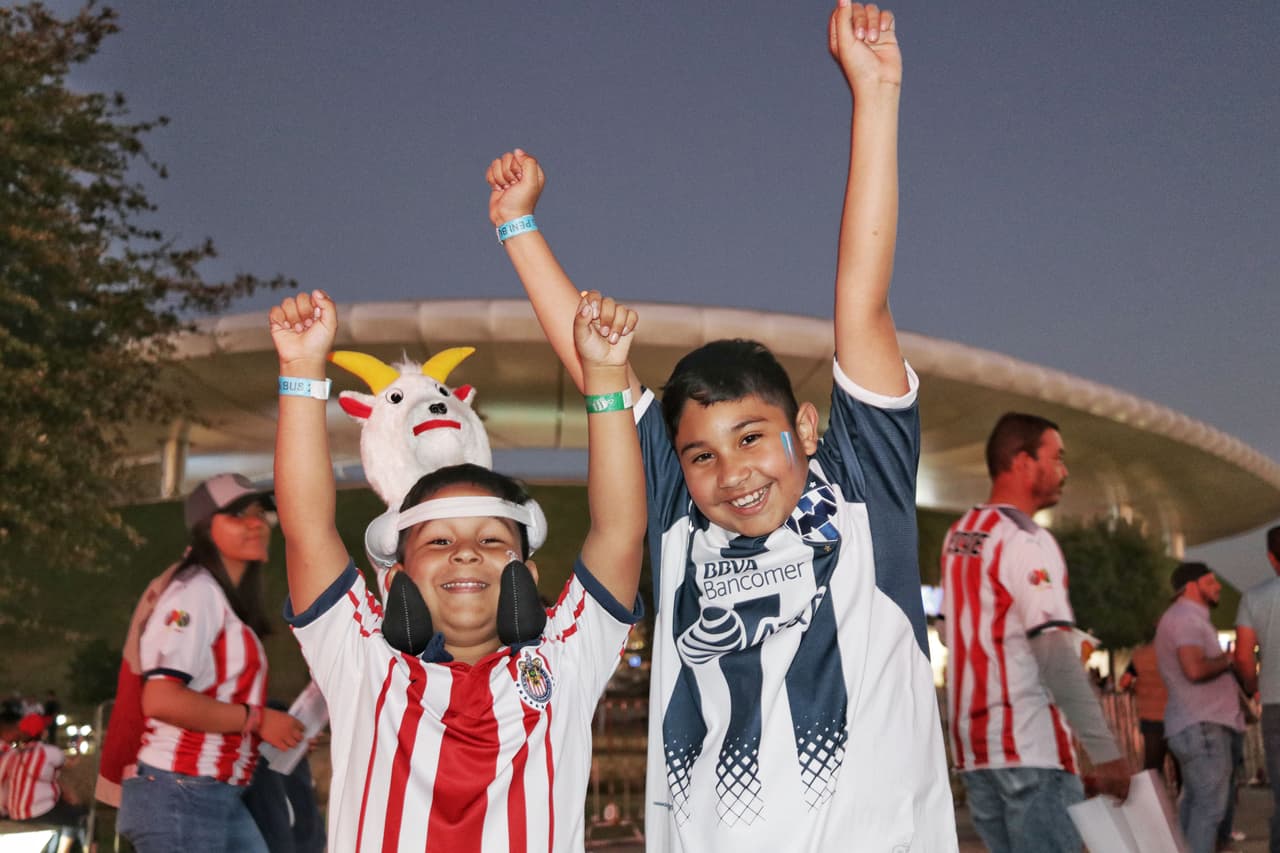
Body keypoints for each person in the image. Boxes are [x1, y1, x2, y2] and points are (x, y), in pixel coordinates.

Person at [486, 5, 956, 850]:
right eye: (700, 454)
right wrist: (517, 227)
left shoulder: (863, 485)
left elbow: (862, 301)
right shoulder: (678, 517)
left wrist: (876, 94)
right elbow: (596, 367)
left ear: (804, 427)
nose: (732, 472)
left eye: (751, 438)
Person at [270, 287, 645, 850]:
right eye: (439, 539)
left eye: (492, 539)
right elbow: (306, 529)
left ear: (529, 577)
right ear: (394, 577)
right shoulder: (363, 663)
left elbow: (619, 531)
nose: (466, 552)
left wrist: (607, 376)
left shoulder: (566, 660)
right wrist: (301, 369)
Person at [942, 412, 1130, 853]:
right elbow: (1055, 656)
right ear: (1023, 462)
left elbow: (954, 635)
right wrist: (1105, 751)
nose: (1064, 471)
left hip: (976, 752)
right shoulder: (1026, 539)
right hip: (1032, 748)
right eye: (1057, 458)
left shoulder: (960, 535)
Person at [113, 473, 306, 853]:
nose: (256, 524)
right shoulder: (194, 594)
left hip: (211, 793)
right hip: (180, 793)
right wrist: (258, 720)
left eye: (259, 513)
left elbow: (216, 700)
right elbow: (161, 699)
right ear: (205, 528)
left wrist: (282, 729)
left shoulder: (219, 597)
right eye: (238, 515)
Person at [1157, 561, 1244, 853]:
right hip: (1203, 725)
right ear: (1191, 587)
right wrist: (1228, 660)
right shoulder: (1186, 619)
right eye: (1210, 582)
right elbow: (1194, 669)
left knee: (1196, 805)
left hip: (1196, 724)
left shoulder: (1184, 617)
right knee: (1209, 807)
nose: (1218, 587)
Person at [1234, 524, 1280, 853]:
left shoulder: (1254, 598)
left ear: (1271, 558)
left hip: (1275, 701)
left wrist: (1253, 686)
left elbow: (1243, 655)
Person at [0, 712, 86, 843]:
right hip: (31, 812)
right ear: (44, 733)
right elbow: (72, 763)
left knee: (65, 811)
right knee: (81, 816)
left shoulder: (15, 754)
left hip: (14, 811)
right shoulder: (48, 752)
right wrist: (78, 748)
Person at [1119, 635, 1180, 787]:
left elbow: (1124, 682)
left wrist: (1136, 688)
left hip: (1151, 718)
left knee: (1153, 767)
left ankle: (1153, 799)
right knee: (1183, 767)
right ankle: (1184, 798)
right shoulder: (1178, 653)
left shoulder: (1140, 656)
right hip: (1179, 718)